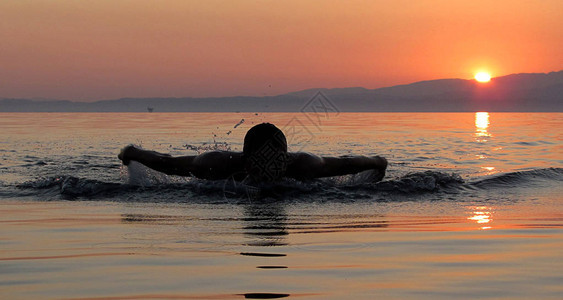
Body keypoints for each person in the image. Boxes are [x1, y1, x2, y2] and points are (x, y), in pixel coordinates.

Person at [118, 123, 387, 183]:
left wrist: (377, 162)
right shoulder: (215, 165)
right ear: (247, 159)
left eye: (275, 162)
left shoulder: (305, 166)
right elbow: (167, 163)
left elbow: (348, 164)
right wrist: (133, 153)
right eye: (260, 163)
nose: (268, 171)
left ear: (286, 157)